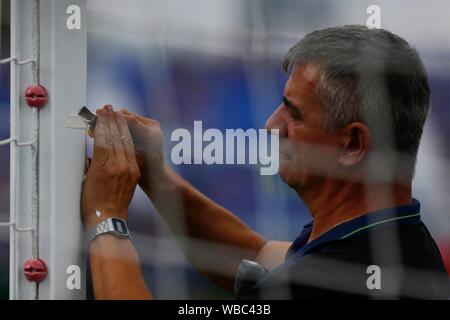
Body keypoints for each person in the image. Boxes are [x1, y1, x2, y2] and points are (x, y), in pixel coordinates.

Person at [81, 25, 449, 300]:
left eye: (294, 113)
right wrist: (155, 175)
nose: (271, 126)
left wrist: (105, 216)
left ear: (353, 144)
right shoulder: (394, 238)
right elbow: (255, 258)